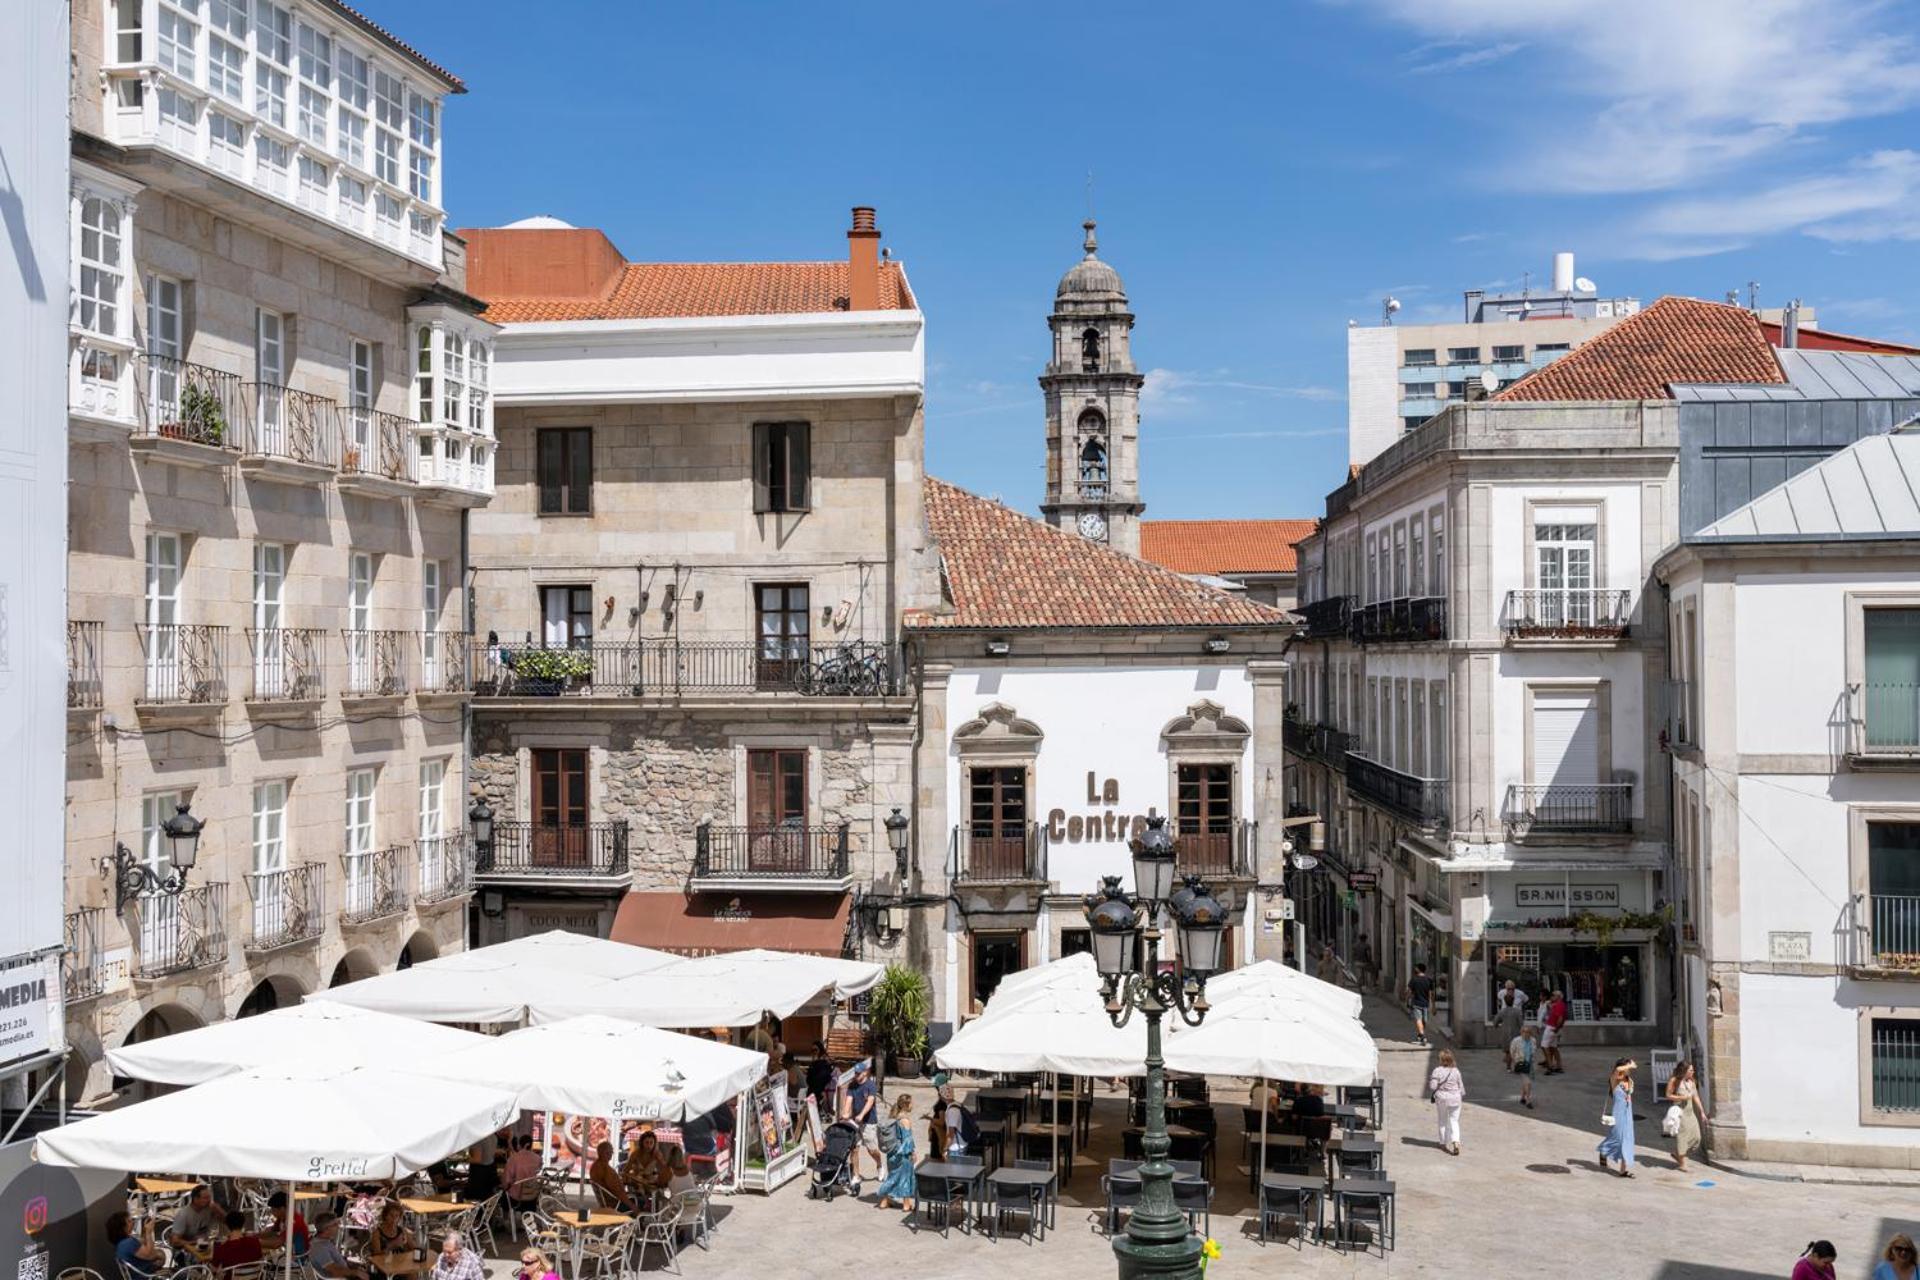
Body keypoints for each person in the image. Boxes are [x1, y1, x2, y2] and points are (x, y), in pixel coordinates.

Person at [873, 1094, 918, 1214]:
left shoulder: (893, 1117)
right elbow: (908, 1140)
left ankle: (884, 1201)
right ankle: (906, 1205)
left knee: (892, 1176)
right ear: (906, 1105)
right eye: (911, 1102)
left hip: (891, 1153)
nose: (913, 1105)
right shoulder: (905, 1120)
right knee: (905, 1177)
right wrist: (913, 1153)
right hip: (902, 1154)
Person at [1596, 1057, 1638, 1177]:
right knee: (1617, 1137)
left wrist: (1629, 1067)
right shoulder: (1614, 1079)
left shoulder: (1629, 1080)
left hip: (1628, 1112)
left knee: (1628, 1140)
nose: (1629, 1070)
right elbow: (1618, 1069)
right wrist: (1630, 1065)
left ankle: (1623, 1170)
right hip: (1618, 1113)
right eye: (1627, 1067)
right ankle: (1604, 1150)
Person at [1664, 1061, 1709, 1172]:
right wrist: (1682, 1098)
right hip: (1680, 1112)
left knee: (1696, 1137)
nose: (1693, 1072)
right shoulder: (1674, 1080)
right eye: (1691, 1070)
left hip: (1690, 1112)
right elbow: (1668, 1095)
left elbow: (1696, 1097)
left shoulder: (1691, 1082)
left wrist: (1702, 1112)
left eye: (1693, 1070)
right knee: (1682, 1137)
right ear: (1684, 1071)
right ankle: (1682, 1164)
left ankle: (1678, 1153)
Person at [1427, 1048, 1466, 1156]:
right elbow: (1461, 1086)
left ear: (1441, 1059)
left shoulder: (1437, 1071)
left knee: (1442, 1120)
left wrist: (1432, 1080)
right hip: (1455, 1098)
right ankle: (1456, 1142)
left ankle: (1443, 1143)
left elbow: (1432, 1086)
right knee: (1454, 1121)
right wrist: (1461, 1095)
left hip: (1442, 1098)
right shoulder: (1456, 1071)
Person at [846, 1062, 880, 1181]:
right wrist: (845, 1113)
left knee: (872, 1150)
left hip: (869, 1121)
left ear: (865, 1072)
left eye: (858, 1073)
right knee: (854, 1149)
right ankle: (856, 1175)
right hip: (856, 1123)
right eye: (855, 1073)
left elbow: (870, 1102)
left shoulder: (870, 1086)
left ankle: (880, 1165)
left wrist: (861, 1115)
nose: (856, 1075)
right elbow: (849, 1100)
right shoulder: (852, 1086)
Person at [308, 1214, 370, 1280]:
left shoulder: (324, 1241)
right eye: (335, 1225)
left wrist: (353, 1266)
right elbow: (335, 1272)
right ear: (326, 1229)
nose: (338, 1227)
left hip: (346, 1273)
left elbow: (336, 1261)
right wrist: (356, 1272)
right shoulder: (319, 1248)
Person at [108, 1211, 164, 1279]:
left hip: (137, 1273)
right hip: (144, 1276)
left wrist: (145, 1230)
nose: (132, 1222)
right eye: (129, 1221)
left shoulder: (121, 1243)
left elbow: (143, 1243)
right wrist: (149, 1232)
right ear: (123, 1228)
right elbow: (150, 1255)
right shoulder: (128, 1243)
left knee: (160, 1254)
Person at [368, 1202, 415, 1276]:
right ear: (385, 1216)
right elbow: (376, 1256)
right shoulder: (377, 1233)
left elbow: (414, 1249)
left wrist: (407, 1246)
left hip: (400, 1265)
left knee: (413, 1274)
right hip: (383, 1268)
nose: (394, 1219)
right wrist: (392, 1245)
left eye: (397, 1216)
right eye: (391, 1215)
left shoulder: (402, 1231)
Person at [588, 1140, 631, 1210]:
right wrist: (633, 1207)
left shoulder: (598, 1165)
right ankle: (637, 1220)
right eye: (608, 1152)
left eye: (611, 1151)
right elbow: (618, 1192)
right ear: (601, 1153)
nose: (611, 1153)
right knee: (643, 1202)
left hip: (610, 1201)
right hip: (616, 1203)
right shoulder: (603, 1168)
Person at [265, 1190, 309, 1257]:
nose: (272, 1212)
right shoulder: (282, 1216)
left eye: (273, 1210)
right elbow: (272, 1231)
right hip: (286, 1251)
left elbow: (276, 1244)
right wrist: (252, 1237)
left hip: (297, 1258)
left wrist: (257, 1242)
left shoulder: (294, 1222)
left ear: (282, 1209)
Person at [504, 1134, 543, 1209]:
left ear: (520, 1145)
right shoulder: (538, 1158)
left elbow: (506, 1180)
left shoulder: (513, 1158)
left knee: (502, 1193)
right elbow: (539, 1170)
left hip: (516, 1197)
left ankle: (508, 1219)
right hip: (532, 1196)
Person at [1493, 981, 1527, 1064]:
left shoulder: (1520, 994)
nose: (1511, 991)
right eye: (1509, 989)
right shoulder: (1501, 993)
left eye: (1512, 989)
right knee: (1508, 1041)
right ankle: (1509, 1058)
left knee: (1515, 1042)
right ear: (1506, 988)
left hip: (1516, 1017)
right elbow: (1498, 1000)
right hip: (1506, 1016)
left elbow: (1526, 1000)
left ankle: (1511, 1059)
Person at [1509, 1023, 1538, 1109]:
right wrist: (1515, 1061)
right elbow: (1512, 1051)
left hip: (1530, 1064)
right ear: (1521, 1032)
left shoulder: (1533, 1040)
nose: (1526, 1033)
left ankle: (1522, 1097)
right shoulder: (1516, 1040)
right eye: (1524, 1031)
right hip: (1521, 1063)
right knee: (1528, 1082)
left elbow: (1534, 1051)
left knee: (1525, 1082)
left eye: (1528, 1032)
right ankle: (1528, 1100)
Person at [1406, 964, 1434, 1046]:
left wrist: (1407, 999)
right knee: (1420, 1020)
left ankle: (1420, 1034)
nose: (1414, 969)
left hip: (1421, 1003)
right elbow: (1431, 994)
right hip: (1421, 1004)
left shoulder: (1414, 979)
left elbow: (1409, 992)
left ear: (1418, 969)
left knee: (1422, 1021)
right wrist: (1433, 1005)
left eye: (1416, 968)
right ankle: (1423, 1036)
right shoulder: (1428, 980)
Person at [1542, 990, 1569, 1074]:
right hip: (1554, 1027)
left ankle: (1550, 1066)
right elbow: (1553, 1013)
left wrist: (1556, 1028)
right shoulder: (1558, 1005)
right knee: (1553, 1047)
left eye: (1553, 995)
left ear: (1558, 997)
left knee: (1544, 1046)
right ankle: (1558, 1066)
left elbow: (1560, 1018)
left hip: (1552, 1027)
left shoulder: (1559, 1005)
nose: (1551, 997)